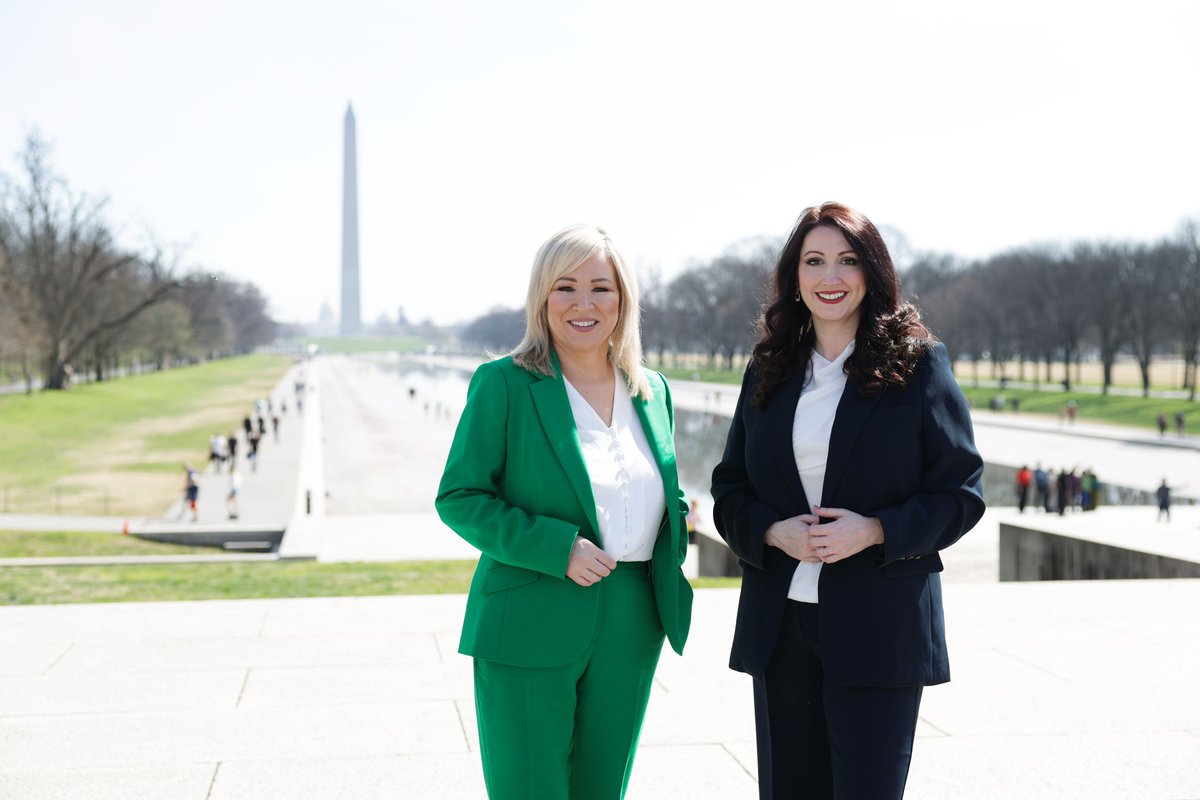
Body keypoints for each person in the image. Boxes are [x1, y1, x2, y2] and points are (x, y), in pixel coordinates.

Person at [710, 202, 985, 799]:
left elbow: (961, 493)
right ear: (795, 276)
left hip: (879, 624)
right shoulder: (768, 371)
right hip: (781, 624)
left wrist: (875, 529)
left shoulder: (918, 365)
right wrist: (770, 531)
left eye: (847, 261)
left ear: (872, 272)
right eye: (814, 261)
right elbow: (729, 488)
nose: (829, 277)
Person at [436, 224, 693, 799]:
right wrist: (558, 548)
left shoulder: (651, 389)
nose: (584, 304)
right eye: (565, 288)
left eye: (601, 288)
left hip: (632, 618)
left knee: (604, 789)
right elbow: (460, 497)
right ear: (542, 299)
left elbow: (661, 492)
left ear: (622, 300)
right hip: (532, 612)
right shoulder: (503, 384)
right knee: (530, 788)